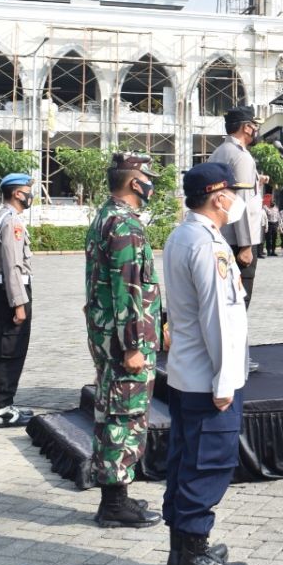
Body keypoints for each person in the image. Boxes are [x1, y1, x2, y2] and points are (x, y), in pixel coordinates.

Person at [160, 162, 252, 565]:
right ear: (218, 197)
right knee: (206, 464)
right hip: (207, 378)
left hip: (186, 373)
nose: (235, 200)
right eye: (232, 193)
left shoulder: (183, 235)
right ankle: (192, 557)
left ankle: (183, 551)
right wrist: (225, 382)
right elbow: (218, 317)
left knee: (184, 461)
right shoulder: (209, 246)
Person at [84, 153, 164, 528]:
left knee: (111, 410)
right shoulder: (125, 225)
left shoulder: (105, 215)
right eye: (148, 178)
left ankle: (116, 493)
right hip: (124, 340)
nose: (152, 184)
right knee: (124, 416)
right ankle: (114, 504)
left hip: (106, 334)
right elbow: (128, 289)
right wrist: (133, 344)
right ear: (135, 182)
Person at [0, 172, 35, 428]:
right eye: (29, 189)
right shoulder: (11, 221)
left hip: (4, 289)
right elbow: (12, 265)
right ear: (18, 193)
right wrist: (19, 303)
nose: (31, 194)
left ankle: (3, 404)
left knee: (5, 348)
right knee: (10, 351)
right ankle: (2, 410)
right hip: (11, 292)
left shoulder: (3, 216)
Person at [208, 107, 265, 307]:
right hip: (238, 241)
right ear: (247, 128)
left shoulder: (220, 151)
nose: (256, 130)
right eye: (255, 125)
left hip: (222, 235)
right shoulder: (241, 156)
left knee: (224, 298)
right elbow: (241, 202)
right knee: (239, 299)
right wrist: (246, 246)